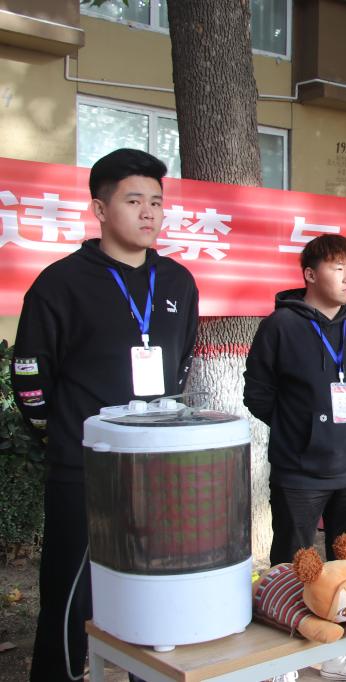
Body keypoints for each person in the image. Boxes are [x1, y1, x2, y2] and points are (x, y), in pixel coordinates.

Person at [11, 148, 199, 681]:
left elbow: (182, 361)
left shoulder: (178, 282)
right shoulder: (61, 283)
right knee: (71, 594)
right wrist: (63, 437)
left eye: (156, 202)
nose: (148, 213)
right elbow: (30, 377)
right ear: (99, 208)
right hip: (86, 467)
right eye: (134, 201)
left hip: (157, 465)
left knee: (155, 589)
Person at [243, 234, 346, 682]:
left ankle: (339, 656)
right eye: (338, 268)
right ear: (310, 274)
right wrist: (299, 431)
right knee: (294, 564)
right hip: (300, 472)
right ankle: (283, 660)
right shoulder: (280, 325)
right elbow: (258, 393)